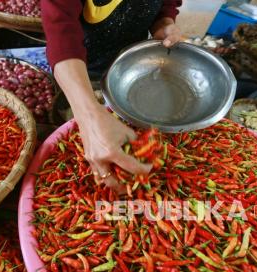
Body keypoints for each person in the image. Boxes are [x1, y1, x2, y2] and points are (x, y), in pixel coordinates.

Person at [41, 0, 182, 192]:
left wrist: (164, 23)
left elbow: (167, 4)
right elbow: (61, 33)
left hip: (131, 65)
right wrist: (88, 116)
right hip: (82, 68)